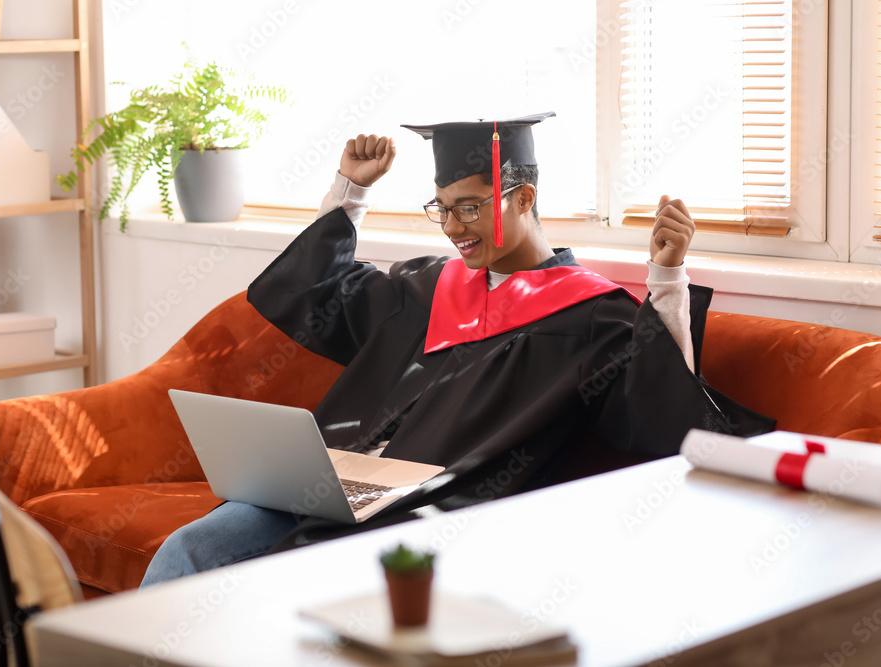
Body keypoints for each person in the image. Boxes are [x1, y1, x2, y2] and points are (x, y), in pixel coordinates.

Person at [140, 113, 773, 586]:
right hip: (333, 490)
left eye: (468, 207)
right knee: (189, 551)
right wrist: (350, 190)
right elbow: (313, 290)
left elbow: (664, 414)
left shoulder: (590, 315)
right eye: (441, 209)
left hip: (431, 513)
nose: (452, 227)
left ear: (524, 198)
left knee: (274, 587)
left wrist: (666, 276)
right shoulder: (427, 287)